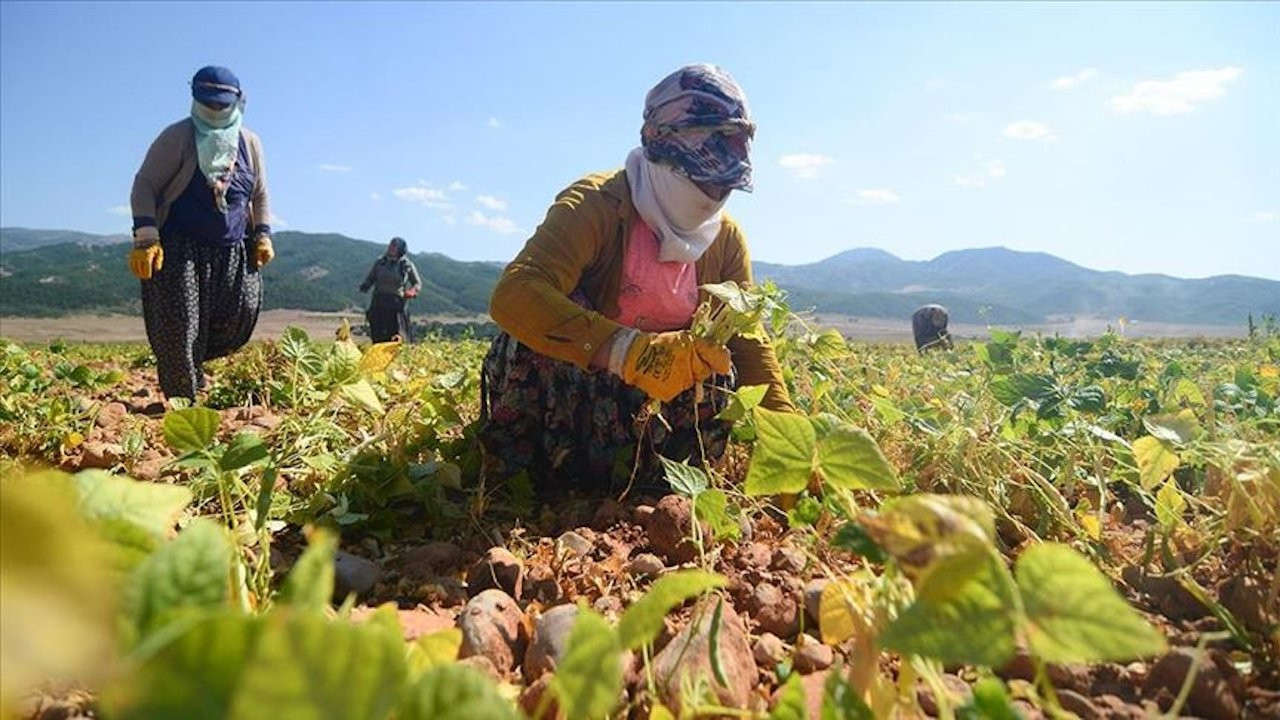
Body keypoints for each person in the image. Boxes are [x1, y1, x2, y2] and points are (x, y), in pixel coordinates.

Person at [481, 63, 794, 495]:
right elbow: (515, 294)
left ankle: (650, 482)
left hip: (653, 407)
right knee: (532, 339)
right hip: (575, 388)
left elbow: (748, 341)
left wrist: (791, 444)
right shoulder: (597, 205)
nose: (711, 195)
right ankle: (538, 481)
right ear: (658, 149)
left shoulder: (725, 240)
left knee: (718, 362)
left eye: (722, 184)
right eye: (698, 176)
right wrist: (627, 351)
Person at [128, 65, 273, 401]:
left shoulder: (249, 143)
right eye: (209, 103)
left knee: (240, 314)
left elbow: (260, 193)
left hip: (233, 246)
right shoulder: (178, 136)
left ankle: (194, 366)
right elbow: (144, 185)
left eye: (223, 104)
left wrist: (263, 233)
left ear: (238, 101)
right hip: (182, 246)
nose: (216, 110)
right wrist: (147, 236)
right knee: (180, 325)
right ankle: (183, 398)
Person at [359, 236, 422, 343]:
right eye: (390, 245)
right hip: (379, 302)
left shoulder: (406, 265)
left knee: (396, 335)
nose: (391, 248)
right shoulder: (380, 262)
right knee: (378, 334)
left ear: (401, 249)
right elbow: (371, 277)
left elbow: (417, 283)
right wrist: (365, 286)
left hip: (396, 305)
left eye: (394, 246)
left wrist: (412, 291)